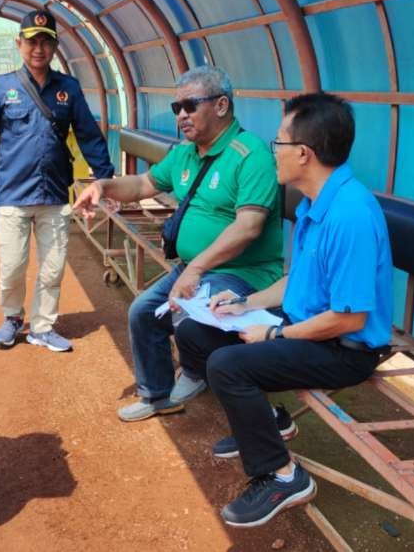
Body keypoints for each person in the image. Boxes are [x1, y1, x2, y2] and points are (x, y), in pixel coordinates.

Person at [173, 93, 394, 528]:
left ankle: (282, 475)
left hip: (344, 348)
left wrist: (272, 336)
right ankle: (268, 420)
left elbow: (349, 319)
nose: (272, 151)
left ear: (304, 154)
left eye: (278, 143)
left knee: (228, 366)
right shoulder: (316, 202)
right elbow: (298, 282)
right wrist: (243, 304)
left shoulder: (350, 214)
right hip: (306, 325)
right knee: (195, 335)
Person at [73, 65, 285, 422]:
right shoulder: (186, 152)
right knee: (143, 312)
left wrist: (198, 268)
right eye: (177, 108)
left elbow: (249, 228)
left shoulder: (251, 156)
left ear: (220, 106)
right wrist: (104, 187)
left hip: (242, 274)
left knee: (190, 315)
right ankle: (158, 396)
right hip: (196, 269)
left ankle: (209, 379)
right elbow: (142, 186)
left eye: (189, 106)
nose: (181, 115)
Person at [0, 9, 115, 352]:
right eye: (32, 41)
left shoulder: (68, 89)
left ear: (55, 46)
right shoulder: (2, 87)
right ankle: (12, 318)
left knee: (52, 268)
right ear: (19, 44)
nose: (38, 49)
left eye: (46, 41)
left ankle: (43, 327)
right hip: (13, 195)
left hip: (55, 194)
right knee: (12, 266)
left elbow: (89, 136)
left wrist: (106, 180)